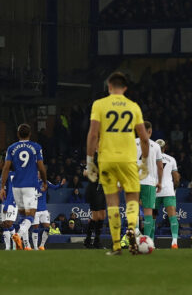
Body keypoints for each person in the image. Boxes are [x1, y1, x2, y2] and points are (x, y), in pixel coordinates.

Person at [86, 71, 148, 255]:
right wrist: (144, 162)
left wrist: (90, 161)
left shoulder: (100, 104)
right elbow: (144, 138)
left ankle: (115, 246)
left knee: (112, 201)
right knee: (132, 197)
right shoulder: (133, 106)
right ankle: (131, 227)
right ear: (125, 88)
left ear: (109, 87)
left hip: (106, 159)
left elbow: (93, 134)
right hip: (128, 159)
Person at [0, 123, 46, 250]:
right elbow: (41, 167)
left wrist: (2, 187)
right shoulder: (36, 147)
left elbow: (6, 168)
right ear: (30, 134)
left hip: (16, 186)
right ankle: (18, 235)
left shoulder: (12, 148)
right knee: (31, 215)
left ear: (18, 134)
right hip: (30, 186)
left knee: (23, 216)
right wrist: (45, 181)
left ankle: (24, 243)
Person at [137, 121, 163, 239]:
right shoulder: (156, 146)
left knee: (133, 211)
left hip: (134, 182)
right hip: (149, 182)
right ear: (150, 131)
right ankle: (146, 240)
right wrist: (160, 182)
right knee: (148, 212)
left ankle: (133, 239)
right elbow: (160, 166)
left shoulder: (132, 143)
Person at [154, 139, 181, 249]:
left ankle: (150, 241)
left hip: (154, 191)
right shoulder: (171, 159)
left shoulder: (150, 159)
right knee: (172, 216)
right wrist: (173, 188)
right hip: (168, 191)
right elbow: (176, 178)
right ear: (165, 148)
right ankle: (174, 241)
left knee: (151, 217)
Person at [30, 176, 63, 250]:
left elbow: (55, 187)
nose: (39, 175)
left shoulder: (45, 182)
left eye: (40, 173)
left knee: (47, 227)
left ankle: (42, 245)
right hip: (35, 210)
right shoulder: (31, 182)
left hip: (44, 210)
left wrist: (61, 184)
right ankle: (35, 247)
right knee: (35, 228)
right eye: (37, 173)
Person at [83, 163, 107, 250]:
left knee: (103, 215)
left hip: (102, 189)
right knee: (96, 216)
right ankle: (89, 240)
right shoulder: (93, 160)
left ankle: (95, 240)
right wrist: (95, 174)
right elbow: (85, 172)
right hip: (93, 189)